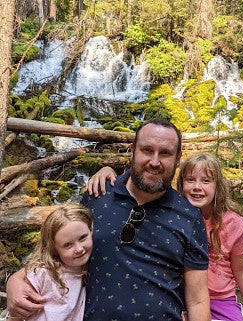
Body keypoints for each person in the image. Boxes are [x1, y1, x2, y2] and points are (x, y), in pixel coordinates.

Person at [6, 118, 210, 321]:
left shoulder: (189, 217)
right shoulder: (98, 194)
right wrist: (16, 280)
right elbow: (62, 249)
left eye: (165, 153)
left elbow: (197, 301)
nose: (154, 162)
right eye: (147, 150)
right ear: (132, 150)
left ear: (178, 158)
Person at [86, 152, 243, 321]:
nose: (197, 187)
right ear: (180, 183)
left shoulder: (234, 223)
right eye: (190, 180)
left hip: (222, 300)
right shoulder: (172, 215)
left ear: (218, 186)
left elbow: (241, 269)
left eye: (206, 181)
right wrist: (106, 169)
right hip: (182, 297)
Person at [5, 202, 93, 321]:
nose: (79, 249)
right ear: (54, 249)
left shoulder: (93, 265)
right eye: (68, 245)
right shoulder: (43, 274)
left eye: (83, 237)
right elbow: (16, 314)